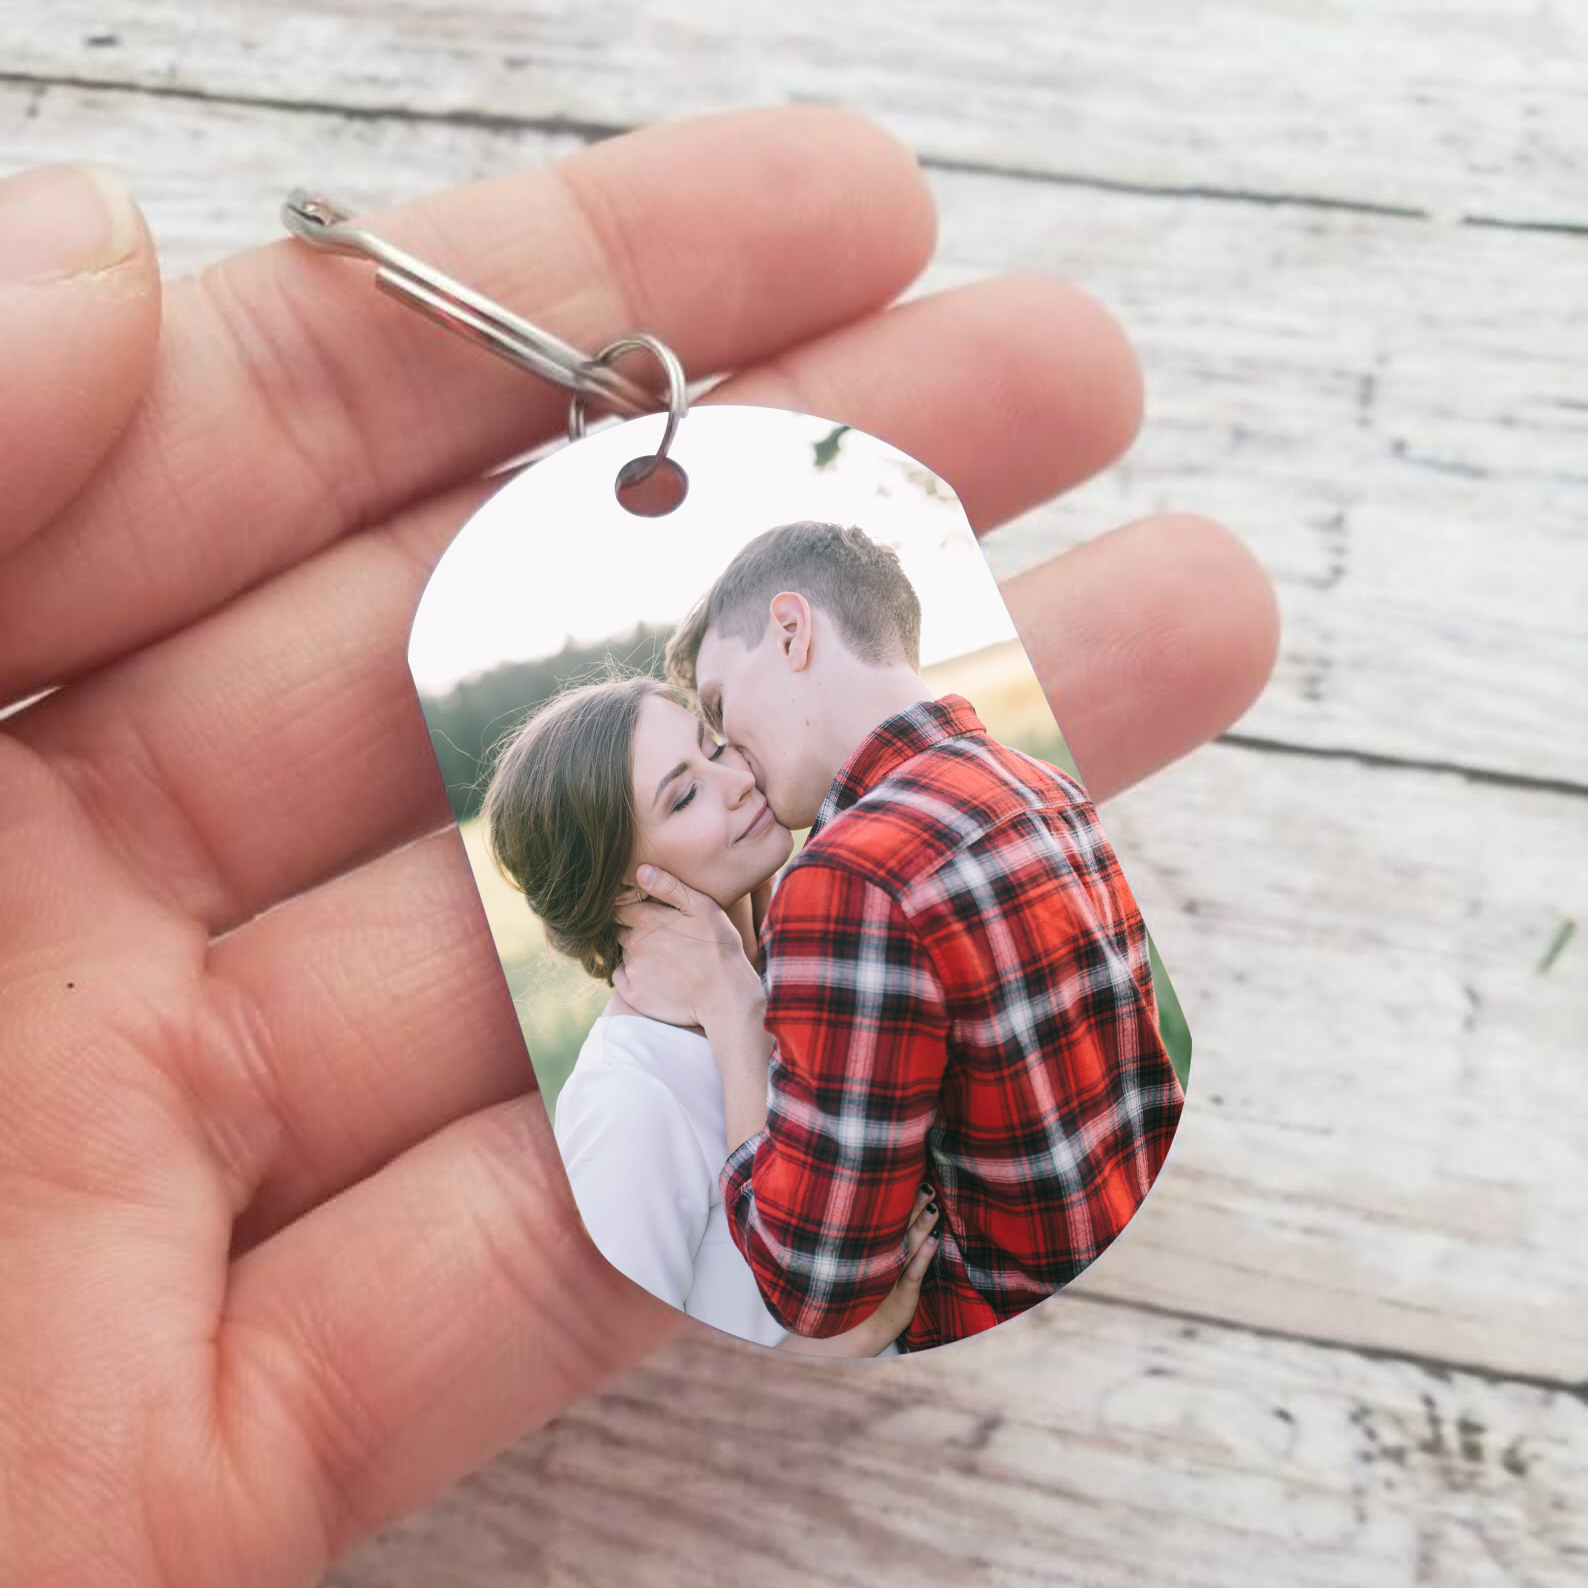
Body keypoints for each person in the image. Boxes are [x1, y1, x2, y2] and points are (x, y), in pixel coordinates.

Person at [0, 107, 1276, 1588]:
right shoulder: (1005, 791)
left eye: (719, 731)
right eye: (692, 774)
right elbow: (837, 1302)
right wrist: (737, 1023)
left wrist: (746, 1026)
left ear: (790, 630)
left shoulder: (841, 891)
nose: (740, 775)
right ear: (621, 882)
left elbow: (822, 1281)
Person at [613, 521, 1186, 1350]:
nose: (733, 758)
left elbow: (812, 1286)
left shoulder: (852, 878)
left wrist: (735, 1009)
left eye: (719, 709)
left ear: (791, 631)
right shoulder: (1049, 788)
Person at [479, 674, 940, 1354]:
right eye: (684, 795)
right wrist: (849, 1343)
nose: (739, 780)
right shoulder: (628, 1100)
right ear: (619, 891)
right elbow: (632, 1390)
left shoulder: (806, 972)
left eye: (715, 746)